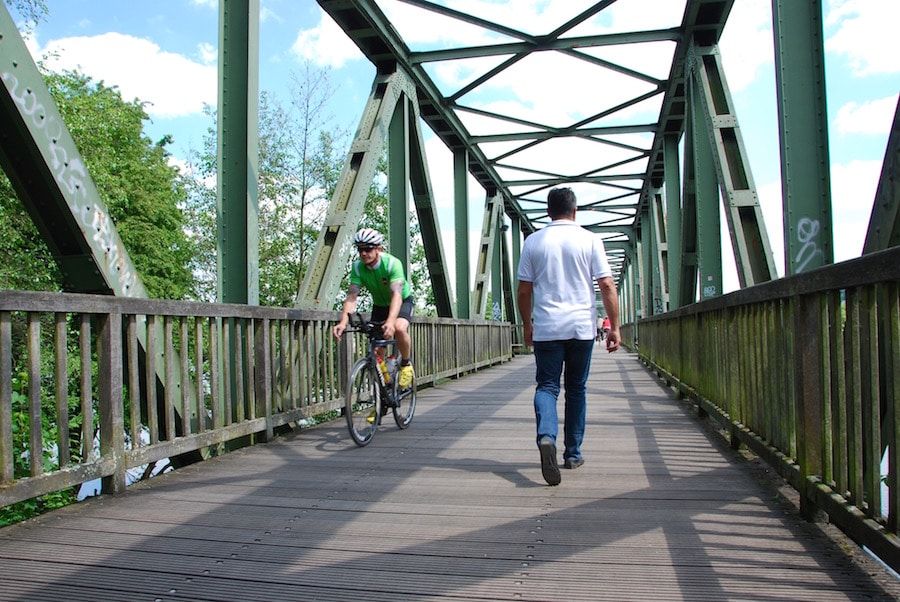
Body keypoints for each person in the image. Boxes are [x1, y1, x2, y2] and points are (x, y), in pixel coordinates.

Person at [516, 187, 620, 486]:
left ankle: (547, 436)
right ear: (575, 211)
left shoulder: (533, 241)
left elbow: (524, 290)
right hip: (581, 328)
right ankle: (573, 453)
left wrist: (527, 324)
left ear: (548, 212)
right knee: (576, 388)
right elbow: (607, 286)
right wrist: (614, 326)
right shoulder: (590, 239)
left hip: (547, 327)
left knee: (547, 387)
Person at [332, 228, 415, 389]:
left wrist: (390, 322)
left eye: (368, 248)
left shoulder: (392, 263)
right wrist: (343, 323)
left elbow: (396, 295)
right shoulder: (357, 267)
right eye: (360, 249)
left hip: (402, 301)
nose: (363, 253)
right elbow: (352, 296)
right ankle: (382, 397)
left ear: (378, 249)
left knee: (398, 327)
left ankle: (406, 364)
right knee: (376, 353)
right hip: (379, 306)